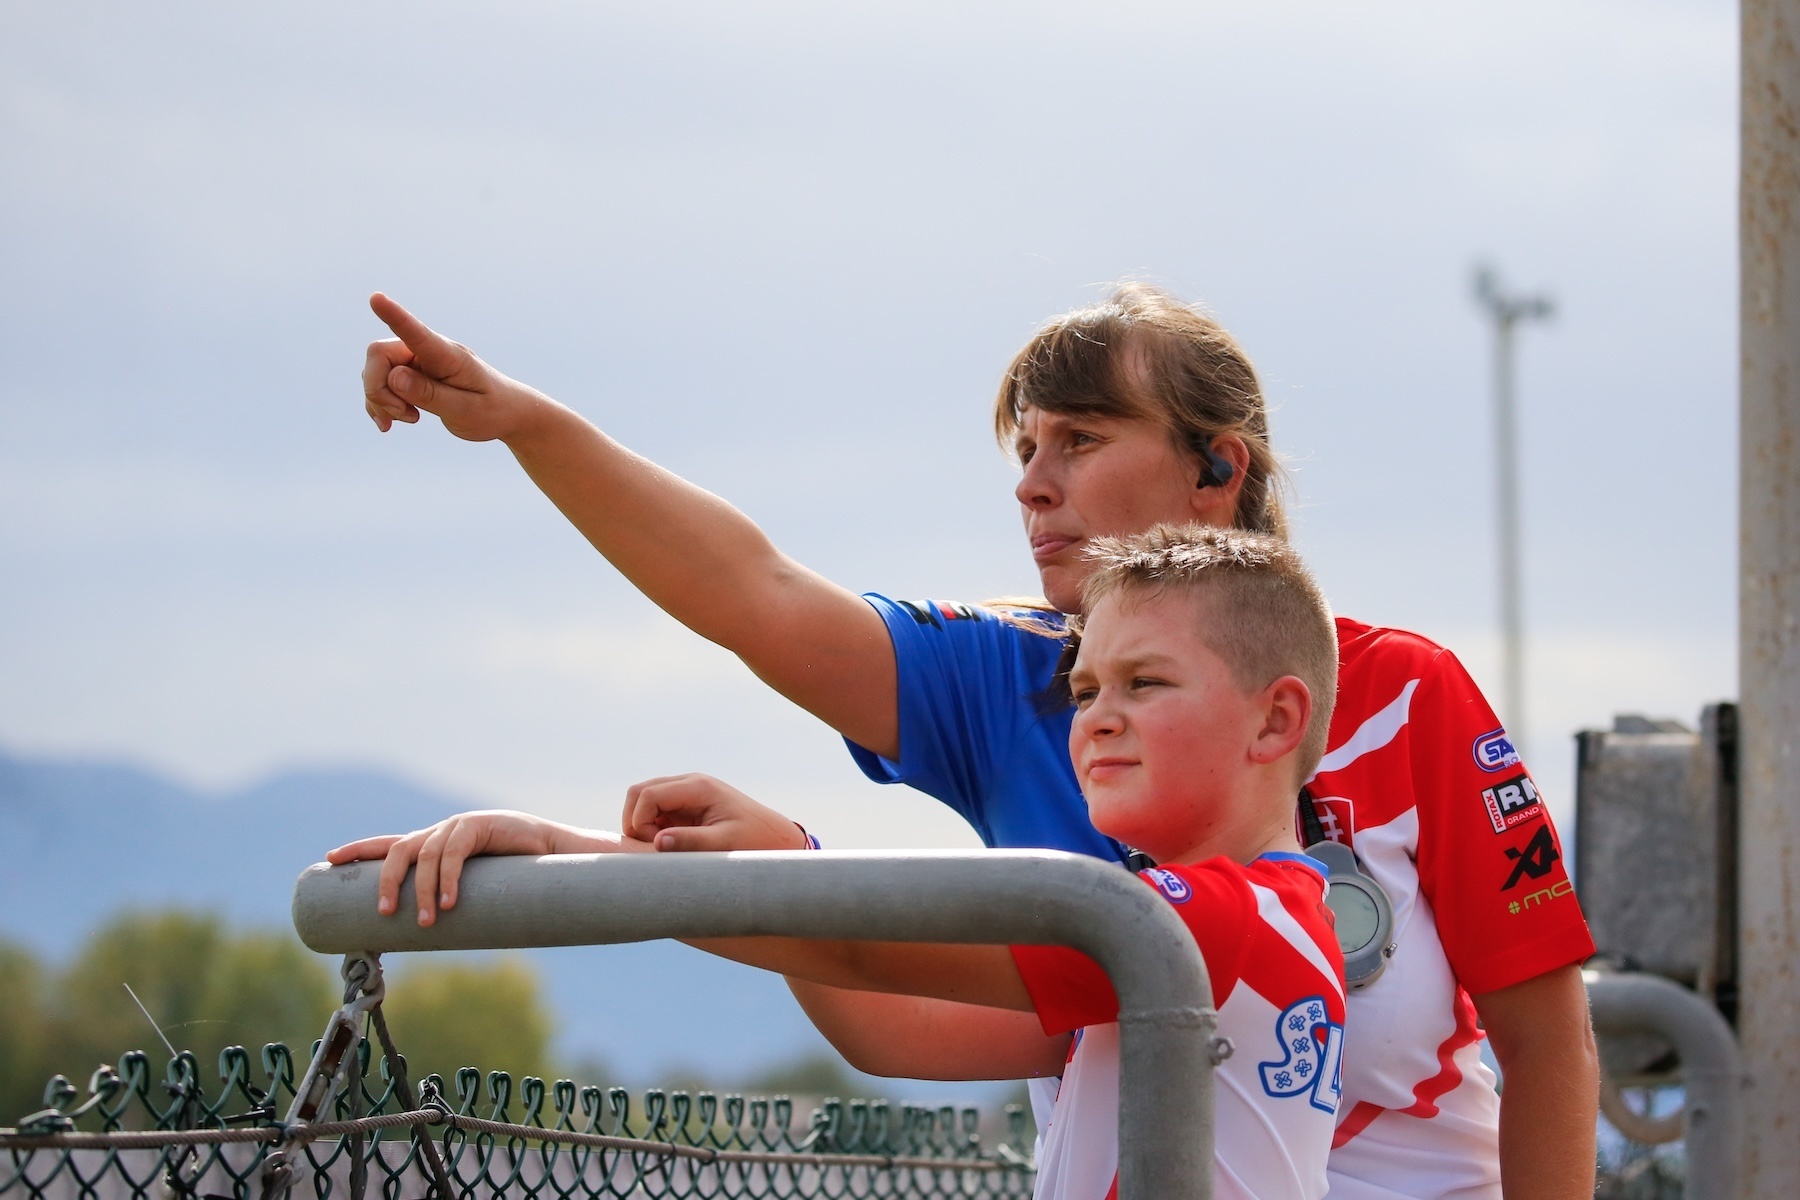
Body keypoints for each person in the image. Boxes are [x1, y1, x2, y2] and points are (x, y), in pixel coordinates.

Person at [337, 283, 1599, 1199]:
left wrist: (623, 869)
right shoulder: (1019, 673)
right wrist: (524, 425)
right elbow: (762, 600)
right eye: (1025, 447)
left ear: (1222, 468)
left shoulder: (1400, 702)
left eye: (1082, 440)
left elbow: (1547, 1039)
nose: (1031, 484)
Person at [349, 525, 1354, 1200]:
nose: (1098, 719)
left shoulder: (1196, 923)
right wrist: (571, 855)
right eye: (1085, 689)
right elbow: (885, 1016)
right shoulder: (1237, 924)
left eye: (1145, 682)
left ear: (1277, 720)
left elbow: (868, 953)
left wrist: (772, 857)